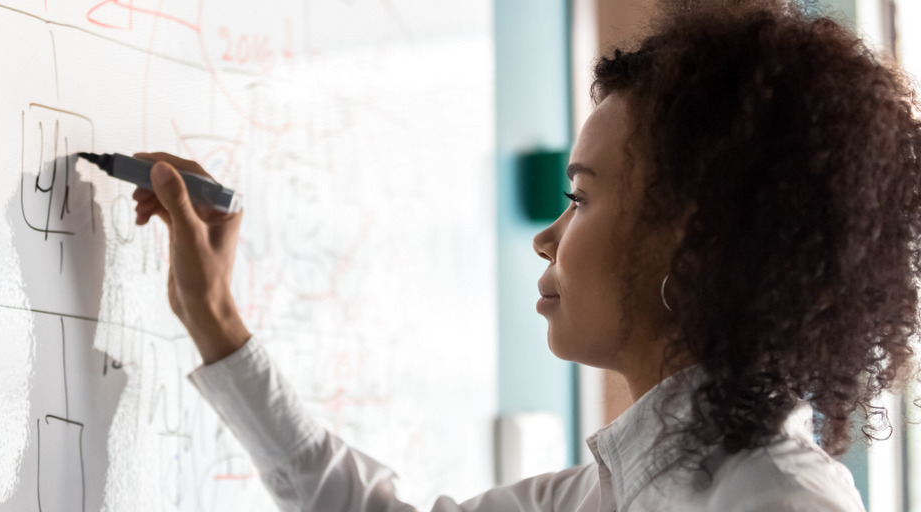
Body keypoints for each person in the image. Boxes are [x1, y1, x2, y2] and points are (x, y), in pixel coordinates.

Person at [131, 0, 921, 510]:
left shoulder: (775, 503)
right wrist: (216, 320)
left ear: (696, 237)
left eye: (579, 197)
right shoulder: (611, 492)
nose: (547, 236)